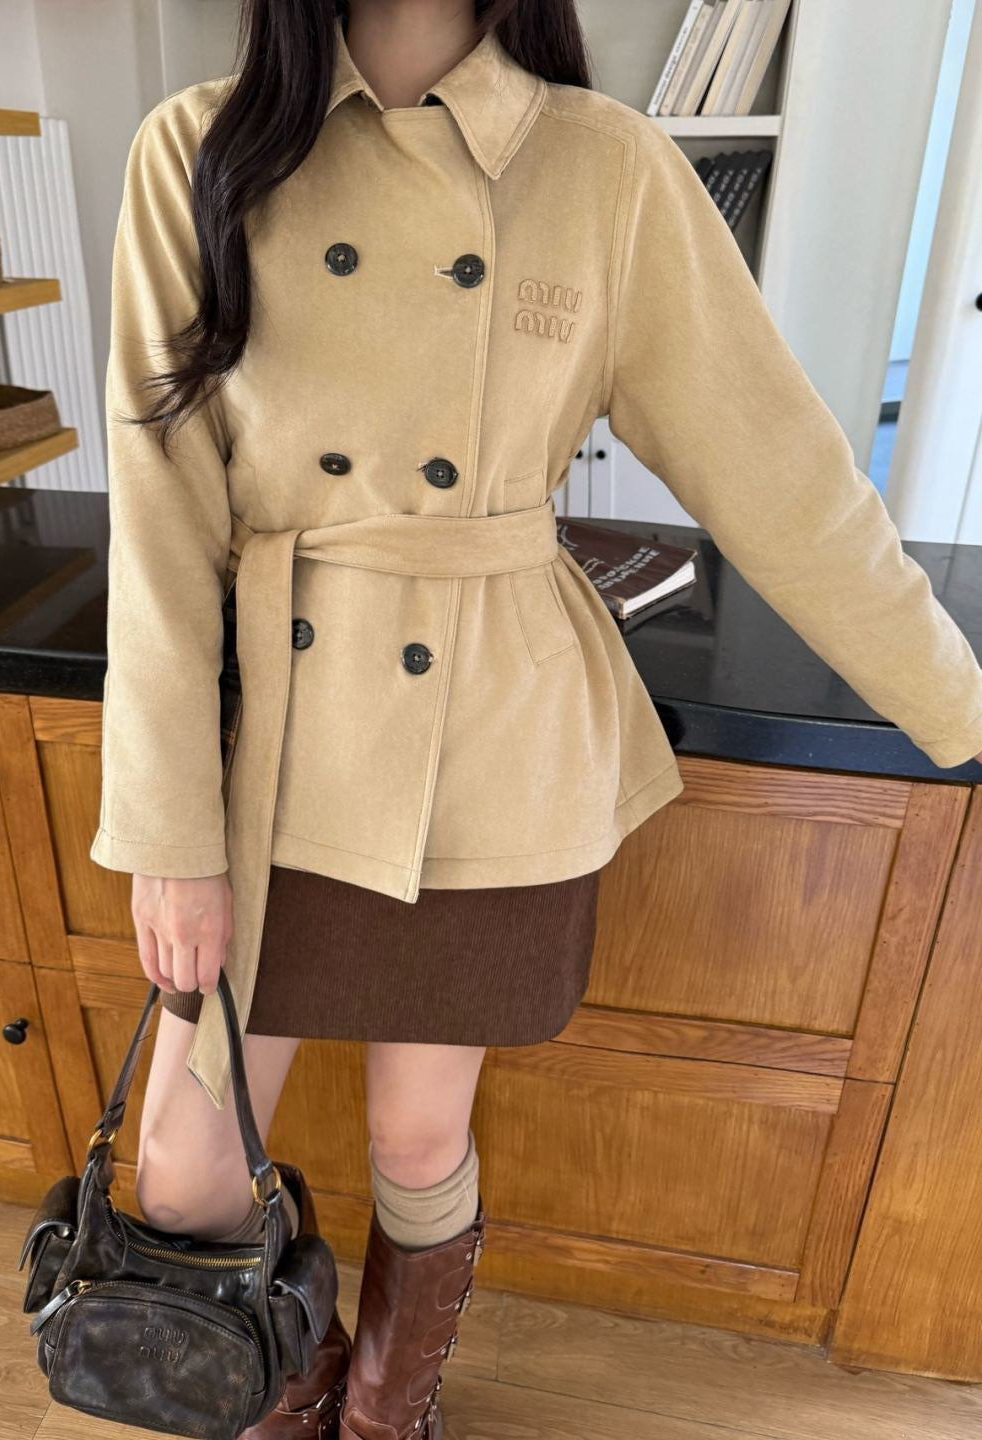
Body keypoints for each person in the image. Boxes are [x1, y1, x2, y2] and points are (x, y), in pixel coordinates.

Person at [87, 1, 982, 1437]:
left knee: (418, 1136)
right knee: (184, 1178)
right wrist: (168, 834)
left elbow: (786, 478)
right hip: (273, 747)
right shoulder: (196, 148)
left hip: (490, 738)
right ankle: (285, 1376)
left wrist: (955, 698)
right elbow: (158, 525)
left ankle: (386, 1414)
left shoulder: (605, 167)